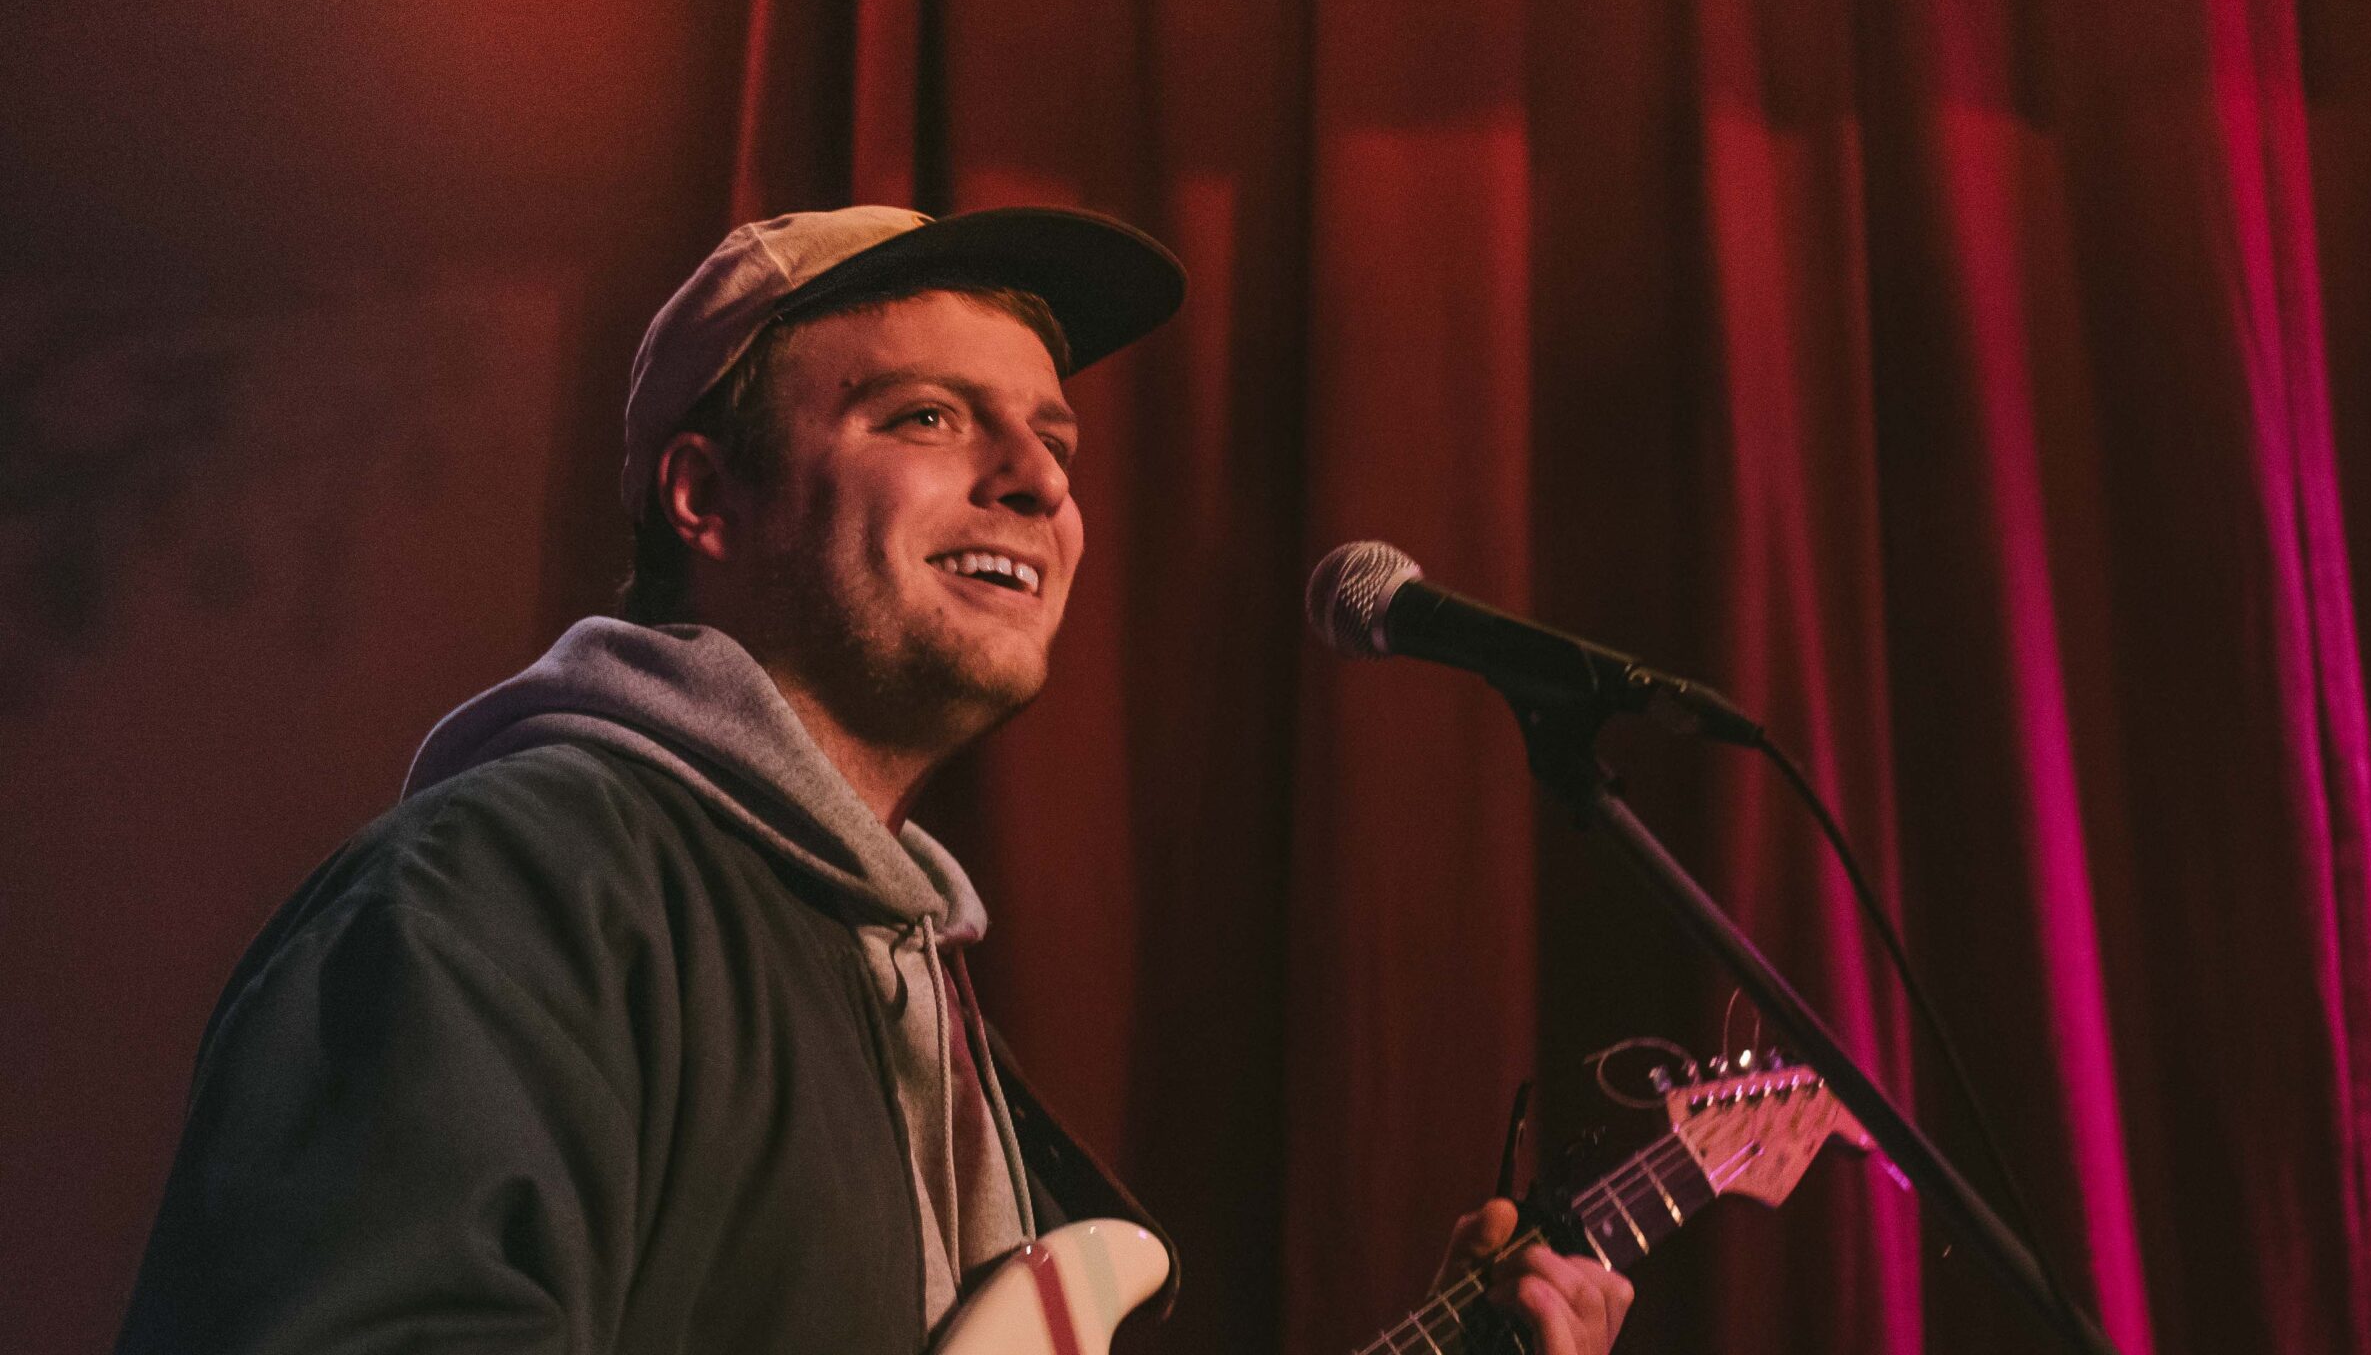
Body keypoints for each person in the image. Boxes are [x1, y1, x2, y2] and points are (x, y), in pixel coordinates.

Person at [115, 205, 1635, 1354]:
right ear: (706, 497)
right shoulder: (508, 890)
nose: (1038, 479)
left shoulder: (909, 987)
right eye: (926, 415)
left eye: (1052, 439)